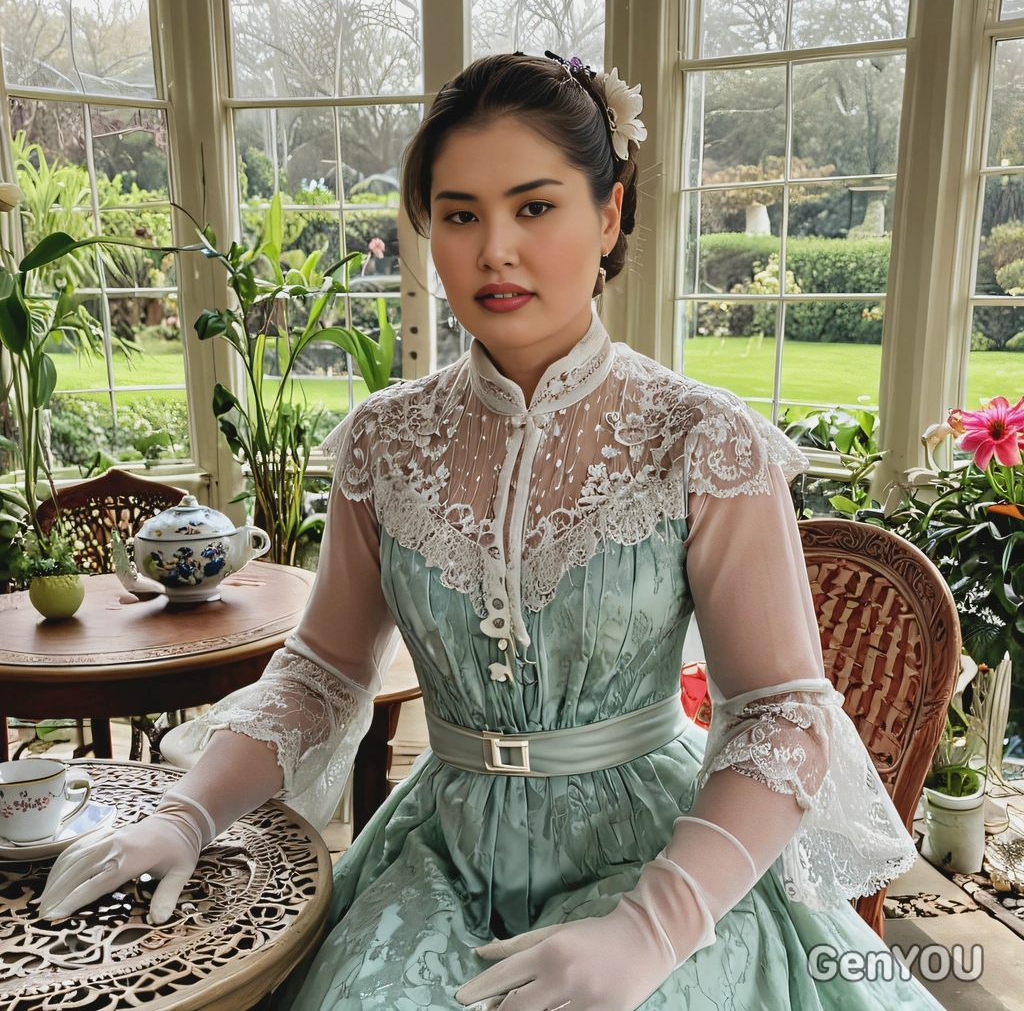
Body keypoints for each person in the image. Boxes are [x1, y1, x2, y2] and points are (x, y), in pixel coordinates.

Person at [39, 51, 945, 1011]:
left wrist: (653, 927)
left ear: (609, 215)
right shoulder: (384, 441)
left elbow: (781, 715)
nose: (495, 250)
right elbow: (323, 674)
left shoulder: (700, 438)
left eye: (535, 207)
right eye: (460, 215)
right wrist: (185, 814)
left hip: (657, 863)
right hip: (443, 859)